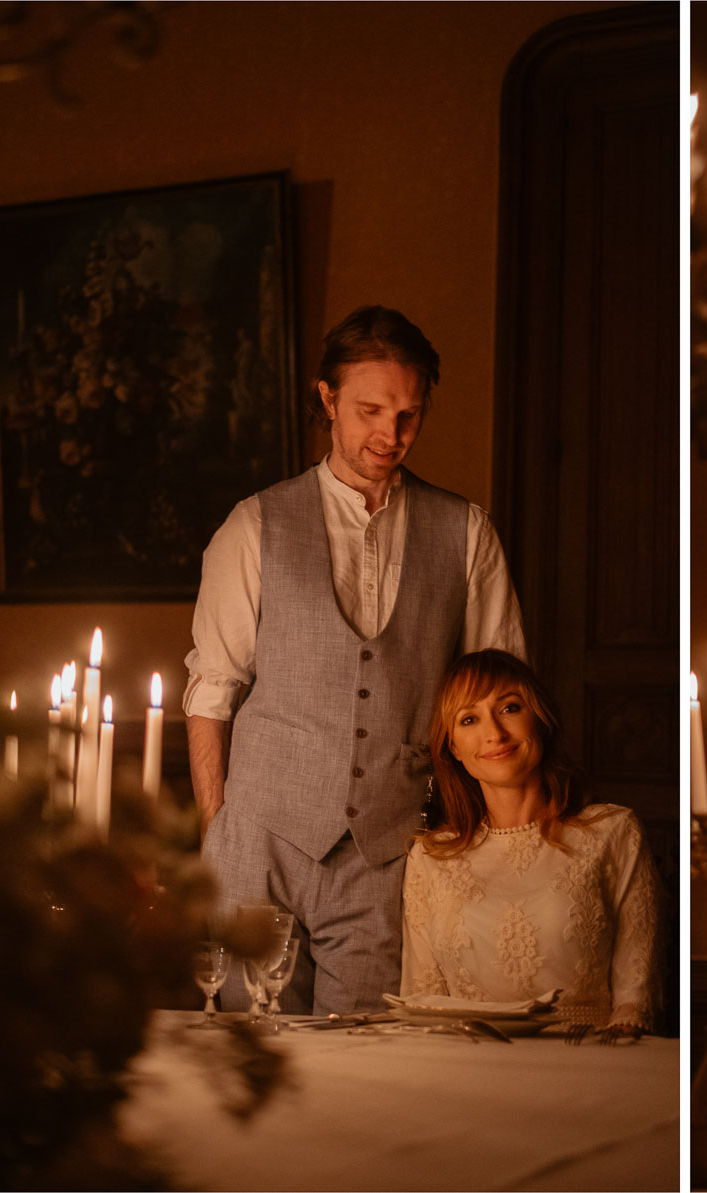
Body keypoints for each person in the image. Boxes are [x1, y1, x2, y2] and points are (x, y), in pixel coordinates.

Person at [184, 305, 525, 1015]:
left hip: (389, 852)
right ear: (327, 398)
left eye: (409, 414)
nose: (389, 434)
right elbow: (211, 692)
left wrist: (490, 849)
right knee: (252, 1072)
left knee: (368, 1073)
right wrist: (220, 834)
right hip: (258, 848)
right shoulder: (254, 526)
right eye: (370, 409)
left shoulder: (465, 533)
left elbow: (500, 696)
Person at [401, 649, 660, 1035]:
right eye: (469, 719)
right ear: (453, 748)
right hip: (465, 1071)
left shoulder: (614, 832)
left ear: (539, 719)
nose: (495, 734)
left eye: (508, 708)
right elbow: (422, 1001)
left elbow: (633, 999)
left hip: (588, 1066)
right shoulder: (430, 856)